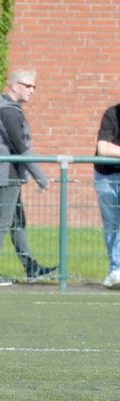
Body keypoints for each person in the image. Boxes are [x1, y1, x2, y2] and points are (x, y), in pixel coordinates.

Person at [0, 69, 57, 286]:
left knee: (17, 222)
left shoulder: (9, 110)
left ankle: (32, 268)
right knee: (2, 223)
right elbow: (22, 149)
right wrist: (42, 177)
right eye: (28, 86)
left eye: (34, 87)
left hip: (10, 173)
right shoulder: (9, 112)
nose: (32, 91)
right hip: (7, 175)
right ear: (14, 85)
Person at [93, 102, 120, 289]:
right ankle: (116, 270)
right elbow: (103, 149)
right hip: (106, 175)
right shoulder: (112, 114)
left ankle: (116, 269)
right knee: (111, 225)